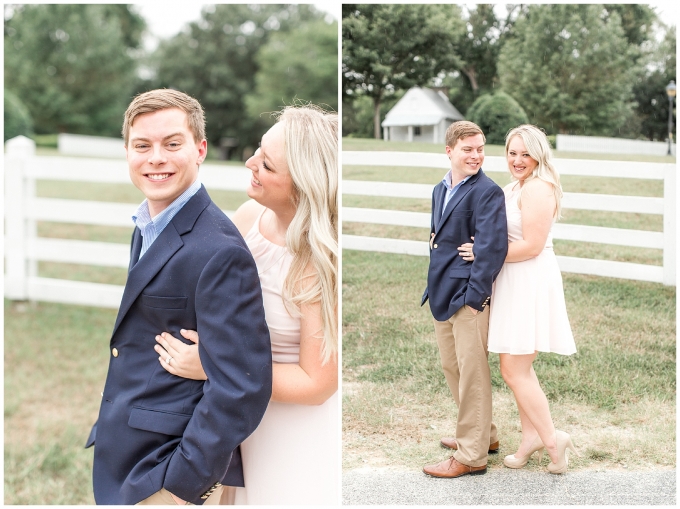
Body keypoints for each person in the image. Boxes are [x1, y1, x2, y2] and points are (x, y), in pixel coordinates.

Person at [85, 89, 272, 505]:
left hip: (167, 466)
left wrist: (182, 481)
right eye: (142, 146)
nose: (156, 158)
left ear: (200, 149)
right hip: (128, 445)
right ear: (127, 151)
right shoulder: (148, 223)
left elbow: (241, 385)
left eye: (172, 144)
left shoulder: (218, 250)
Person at [154, 105, 339, 504]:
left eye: (267, 164)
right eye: (258, 149)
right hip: (235, 416)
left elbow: (318, 383)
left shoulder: (317, 263)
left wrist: (217, 368)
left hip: (291, 431)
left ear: (303, 184)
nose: (250, 162)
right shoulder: (248, 218)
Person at [457, 124, 578, 473]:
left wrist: (482, 253)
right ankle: (531, 437)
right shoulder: (514, 187)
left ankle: (554, 441)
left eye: (525, 154)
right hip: (511, 280)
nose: (518, 160)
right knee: (516, 368)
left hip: (530, 279)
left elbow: (532, 246)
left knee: (515, 368)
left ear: (538, 155)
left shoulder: (539, 187)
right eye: (512, 153)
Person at [420, 121, 508, 479]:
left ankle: (472, 456)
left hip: (468, 296)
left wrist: (476, 298)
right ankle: (483, 436)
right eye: (468, 149)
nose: (476, 155)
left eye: (480, 149)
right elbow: (438, 236)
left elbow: (493, 247)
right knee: (453, 367)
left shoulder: (488, 192)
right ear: (450, 151)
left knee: (472, 373)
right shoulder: (440, 189)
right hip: (442, 291)